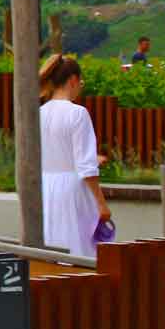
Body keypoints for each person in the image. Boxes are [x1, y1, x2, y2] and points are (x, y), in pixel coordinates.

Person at [39, 55, 114, 257]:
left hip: (45, 187)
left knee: (51, 244)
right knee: (78, 247)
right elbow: (86, 166)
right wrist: (101, 203)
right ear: (72, 80)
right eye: (80, 82)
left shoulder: (38, 113)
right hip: (72, 190)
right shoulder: (77, 113)